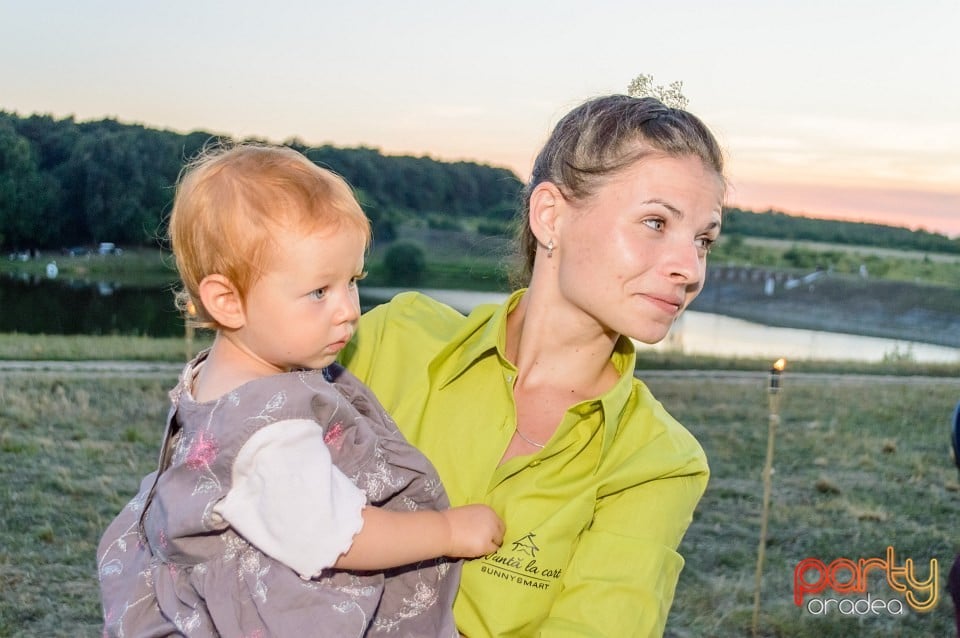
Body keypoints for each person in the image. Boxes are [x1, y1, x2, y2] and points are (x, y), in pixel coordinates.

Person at [340, 94, 724, 637]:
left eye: (704, 240)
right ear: (551, 216)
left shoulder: (659, 461)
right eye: (656, 223)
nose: (689, 268)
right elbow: (233, 466)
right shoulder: (391, 342)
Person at [96, 143, 505, 637]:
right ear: (227, 301)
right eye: (319, 291)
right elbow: (341, 535)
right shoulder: (273, 436)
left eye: (352, 281)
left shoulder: (227, 375)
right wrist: (449, 531)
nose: (349, 309)